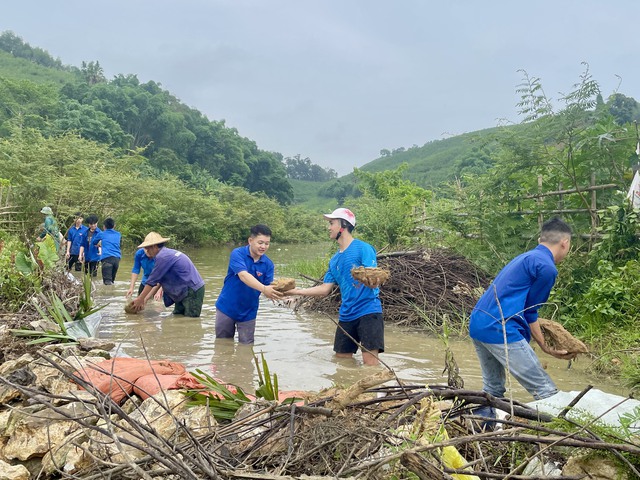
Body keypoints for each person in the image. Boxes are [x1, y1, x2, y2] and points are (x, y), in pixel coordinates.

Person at [468, 217, 575, 424]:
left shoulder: (525, 258)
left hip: (478, 324)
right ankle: (565, 437)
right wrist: (545, 346)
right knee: (545, 391)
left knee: (492, 390)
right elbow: (530, 312)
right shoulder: (547, 267)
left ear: (540, 239)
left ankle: (479, 431)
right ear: (565, 242)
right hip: (499, 329)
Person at [287, 208, 384, 366]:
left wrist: (370, 280)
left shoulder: (363, 248)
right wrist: (296, 291)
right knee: (341, 363)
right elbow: (325, 289)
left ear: (343, 226)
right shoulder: (334, 260)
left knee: (370, 365)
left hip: (368, 312)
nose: (328, 227)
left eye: (332, 223)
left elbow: (373, 277)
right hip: (346, 315)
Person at [215, 224, 283, 344]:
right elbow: (243, 276)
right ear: (250, 241)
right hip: (226, 307)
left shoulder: (268, 264)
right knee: (222, 345)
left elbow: (269, 288)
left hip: (248, 312)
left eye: (267, 243)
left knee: (246, 348)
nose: (263, 247)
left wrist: (281, 293)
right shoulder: (237, 254)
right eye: (260, 243)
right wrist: (263, 288)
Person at [131, 232, 205, 317]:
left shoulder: (163, 257)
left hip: (192, 290)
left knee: (191, 320)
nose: (146, 251)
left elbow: (151, 281)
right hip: (183, 290)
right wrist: (145, 299)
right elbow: (158, 282)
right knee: (178, 317)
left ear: (154, 246)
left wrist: (140, 299)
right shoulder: (166, 254)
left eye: (148, 248)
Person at [92, 217, 122, 285]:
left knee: (107, 282)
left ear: (104, 226)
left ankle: (106, 295)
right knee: (112, 281)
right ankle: (112, 295)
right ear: (114, 226)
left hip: (107, 258)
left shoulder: (102, 234)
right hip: (117, 259)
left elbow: (94, 242)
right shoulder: (118, 234)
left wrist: (99, 244)